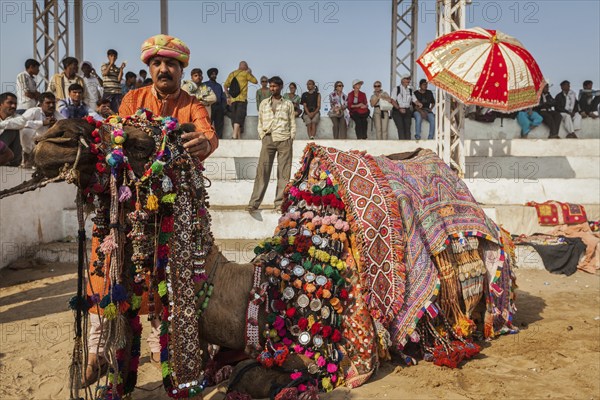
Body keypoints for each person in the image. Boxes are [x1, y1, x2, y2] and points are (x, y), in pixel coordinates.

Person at [85, 34, 218, 386]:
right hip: (131, 208)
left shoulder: (193, 105)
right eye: (157, 64)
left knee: (166, 283)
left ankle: (163, 353)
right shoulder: (133, 98)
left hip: (174, 211)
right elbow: (119, 136)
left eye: (170, 64)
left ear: (180, 70)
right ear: (149, 68)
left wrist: (204, 141)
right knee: (106, 273)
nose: (163, 69)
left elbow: (208, 136)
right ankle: (97, 353)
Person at [247, 76, 296, 212]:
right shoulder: (264, 103)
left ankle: (280, 203)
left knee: (283, 173)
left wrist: (291, 138)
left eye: (275, 86)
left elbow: (292, 123)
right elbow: (260, 122)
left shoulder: (288, 104)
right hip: (268, 139)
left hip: (284, 139)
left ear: (280, 87)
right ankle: (254, 203)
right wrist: (262, 136)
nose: (272, 88)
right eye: (271, 86)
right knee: (262, 172)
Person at [21, 92, 64, 167]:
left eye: (53, 103)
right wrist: (42, 123)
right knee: (25, 131)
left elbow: (65, 125)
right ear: (40, 104)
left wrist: (56, 126)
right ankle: (27, 155)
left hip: (48, 144)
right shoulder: (34, 111)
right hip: (34, 143)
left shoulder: (57, 115)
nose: (51, 105)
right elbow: (21, 123)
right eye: (48, 103)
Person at [224, 61, 258, 139]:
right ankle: (234, 136)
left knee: (234, 117)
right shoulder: (245, 74)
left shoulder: (231, 74)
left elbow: (225, 86)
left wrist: (228, 97)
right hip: (242, 99)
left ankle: (238, 137)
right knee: (239, 117)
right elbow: (255, 81)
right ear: (245, 66)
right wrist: (250, 72)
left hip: (232, 100)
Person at [0, 92, 27, 167]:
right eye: (10, 103)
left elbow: (22, 122)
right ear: (0, 104)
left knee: (14, 128)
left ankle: (14, 161)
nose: (13, 106)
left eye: (15, 104)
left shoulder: (17, 117)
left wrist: (1, 125)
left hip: (5, 150)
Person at [204, 68, 226, 139]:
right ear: (209, 75)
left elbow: (222, 97)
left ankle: (219, 139)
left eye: (215, 74)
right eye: (212, 74)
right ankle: (207, 137)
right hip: (209, 106)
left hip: (218, 107)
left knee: (219, 124)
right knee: (208, 123)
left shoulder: (219, 86)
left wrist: (223, 107)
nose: (214, 75)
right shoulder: (205, 84)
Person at [391, 75, 414, 140]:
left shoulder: (410, 90)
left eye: (409, 79)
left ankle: (408, 146)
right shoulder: (396, 89)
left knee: (408, 128)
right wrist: (399, 108)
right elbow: (392, 100)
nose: (408, 80)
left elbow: (414, 100)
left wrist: (419, 103)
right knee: (400, 128)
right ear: (402, 80)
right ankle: (403, 145)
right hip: (397, 111)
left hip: (407, 110)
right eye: (407, 78)